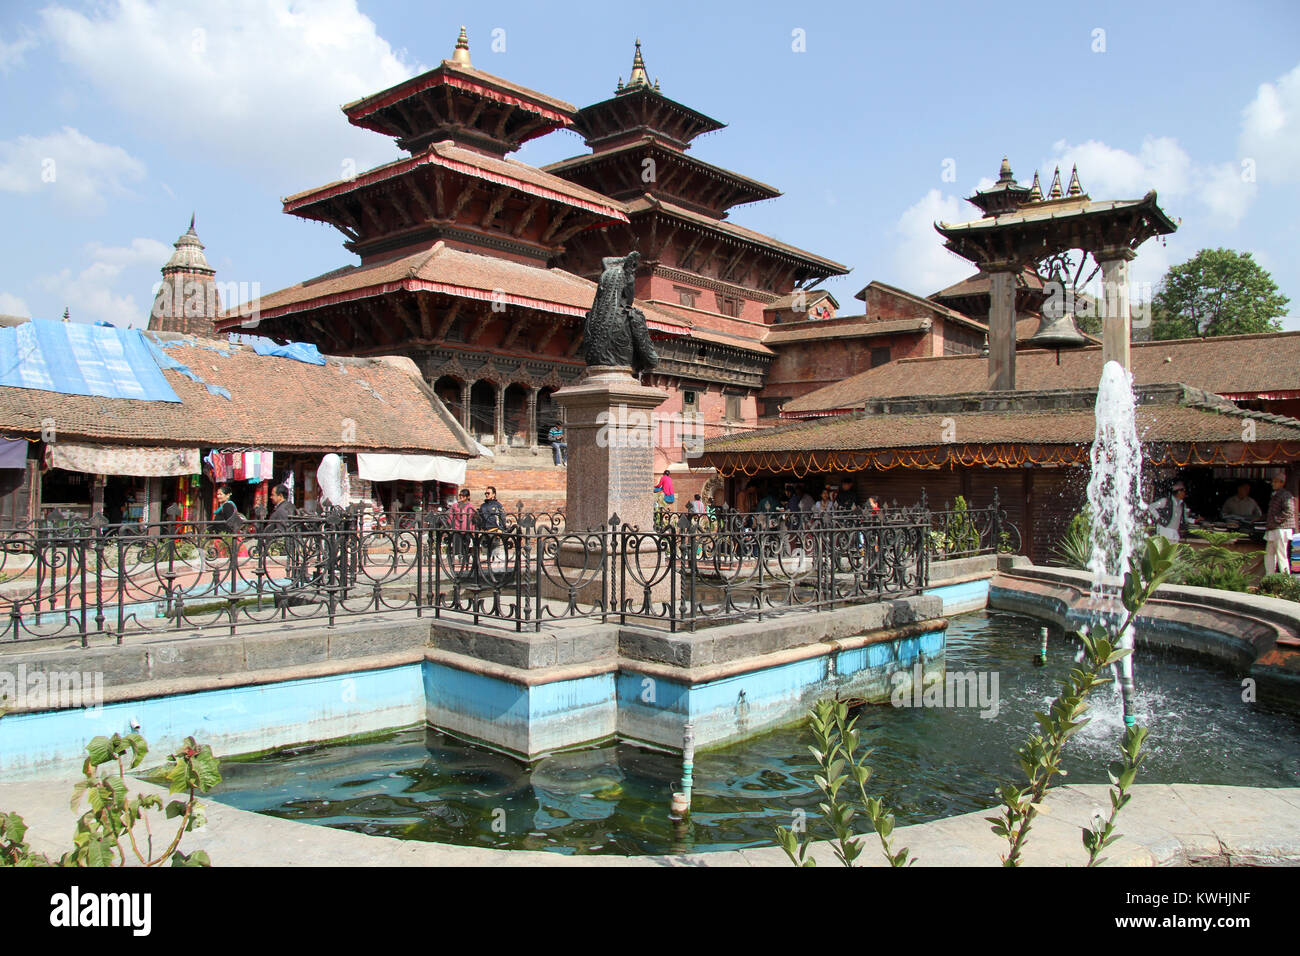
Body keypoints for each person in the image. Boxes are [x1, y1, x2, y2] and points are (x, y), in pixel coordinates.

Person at [1265, 470, 1296, 576]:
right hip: (1273, 528)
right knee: (1269, 554)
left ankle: (1285, 579)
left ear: (1282, 483)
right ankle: (1269, 576)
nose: (1273, 484)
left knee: (1281, 554)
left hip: (1282, 528)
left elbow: (1290, 510)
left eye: (1276, 482)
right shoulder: (1275, 494)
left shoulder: (1286, 495)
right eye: (1273, 481)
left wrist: (1277, 519)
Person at [478, 486, 506, 564]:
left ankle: (494, 569)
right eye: (485, 493)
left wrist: (500, 529)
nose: (487, 495)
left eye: (488, 493)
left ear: (494, 494)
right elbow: (480, 518)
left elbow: (502, 517)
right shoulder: (483, 506)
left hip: (494, 530)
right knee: (486, 552)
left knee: (494, 552)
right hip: (485, 531)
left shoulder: (498, 505)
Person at [448, 488, 476, 563]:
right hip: (457, 529)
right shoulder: (455, 506)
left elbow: (474, 519)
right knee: (457, 547)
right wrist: (452, 526)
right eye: (460, 495)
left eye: (463, 496)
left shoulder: (470, 507)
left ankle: (465, 561)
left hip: (467, 530)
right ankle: (456, 561)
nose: (461, 497)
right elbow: (450, 516)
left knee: (466, 546)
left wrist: (473, 531)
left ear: (467, 497)